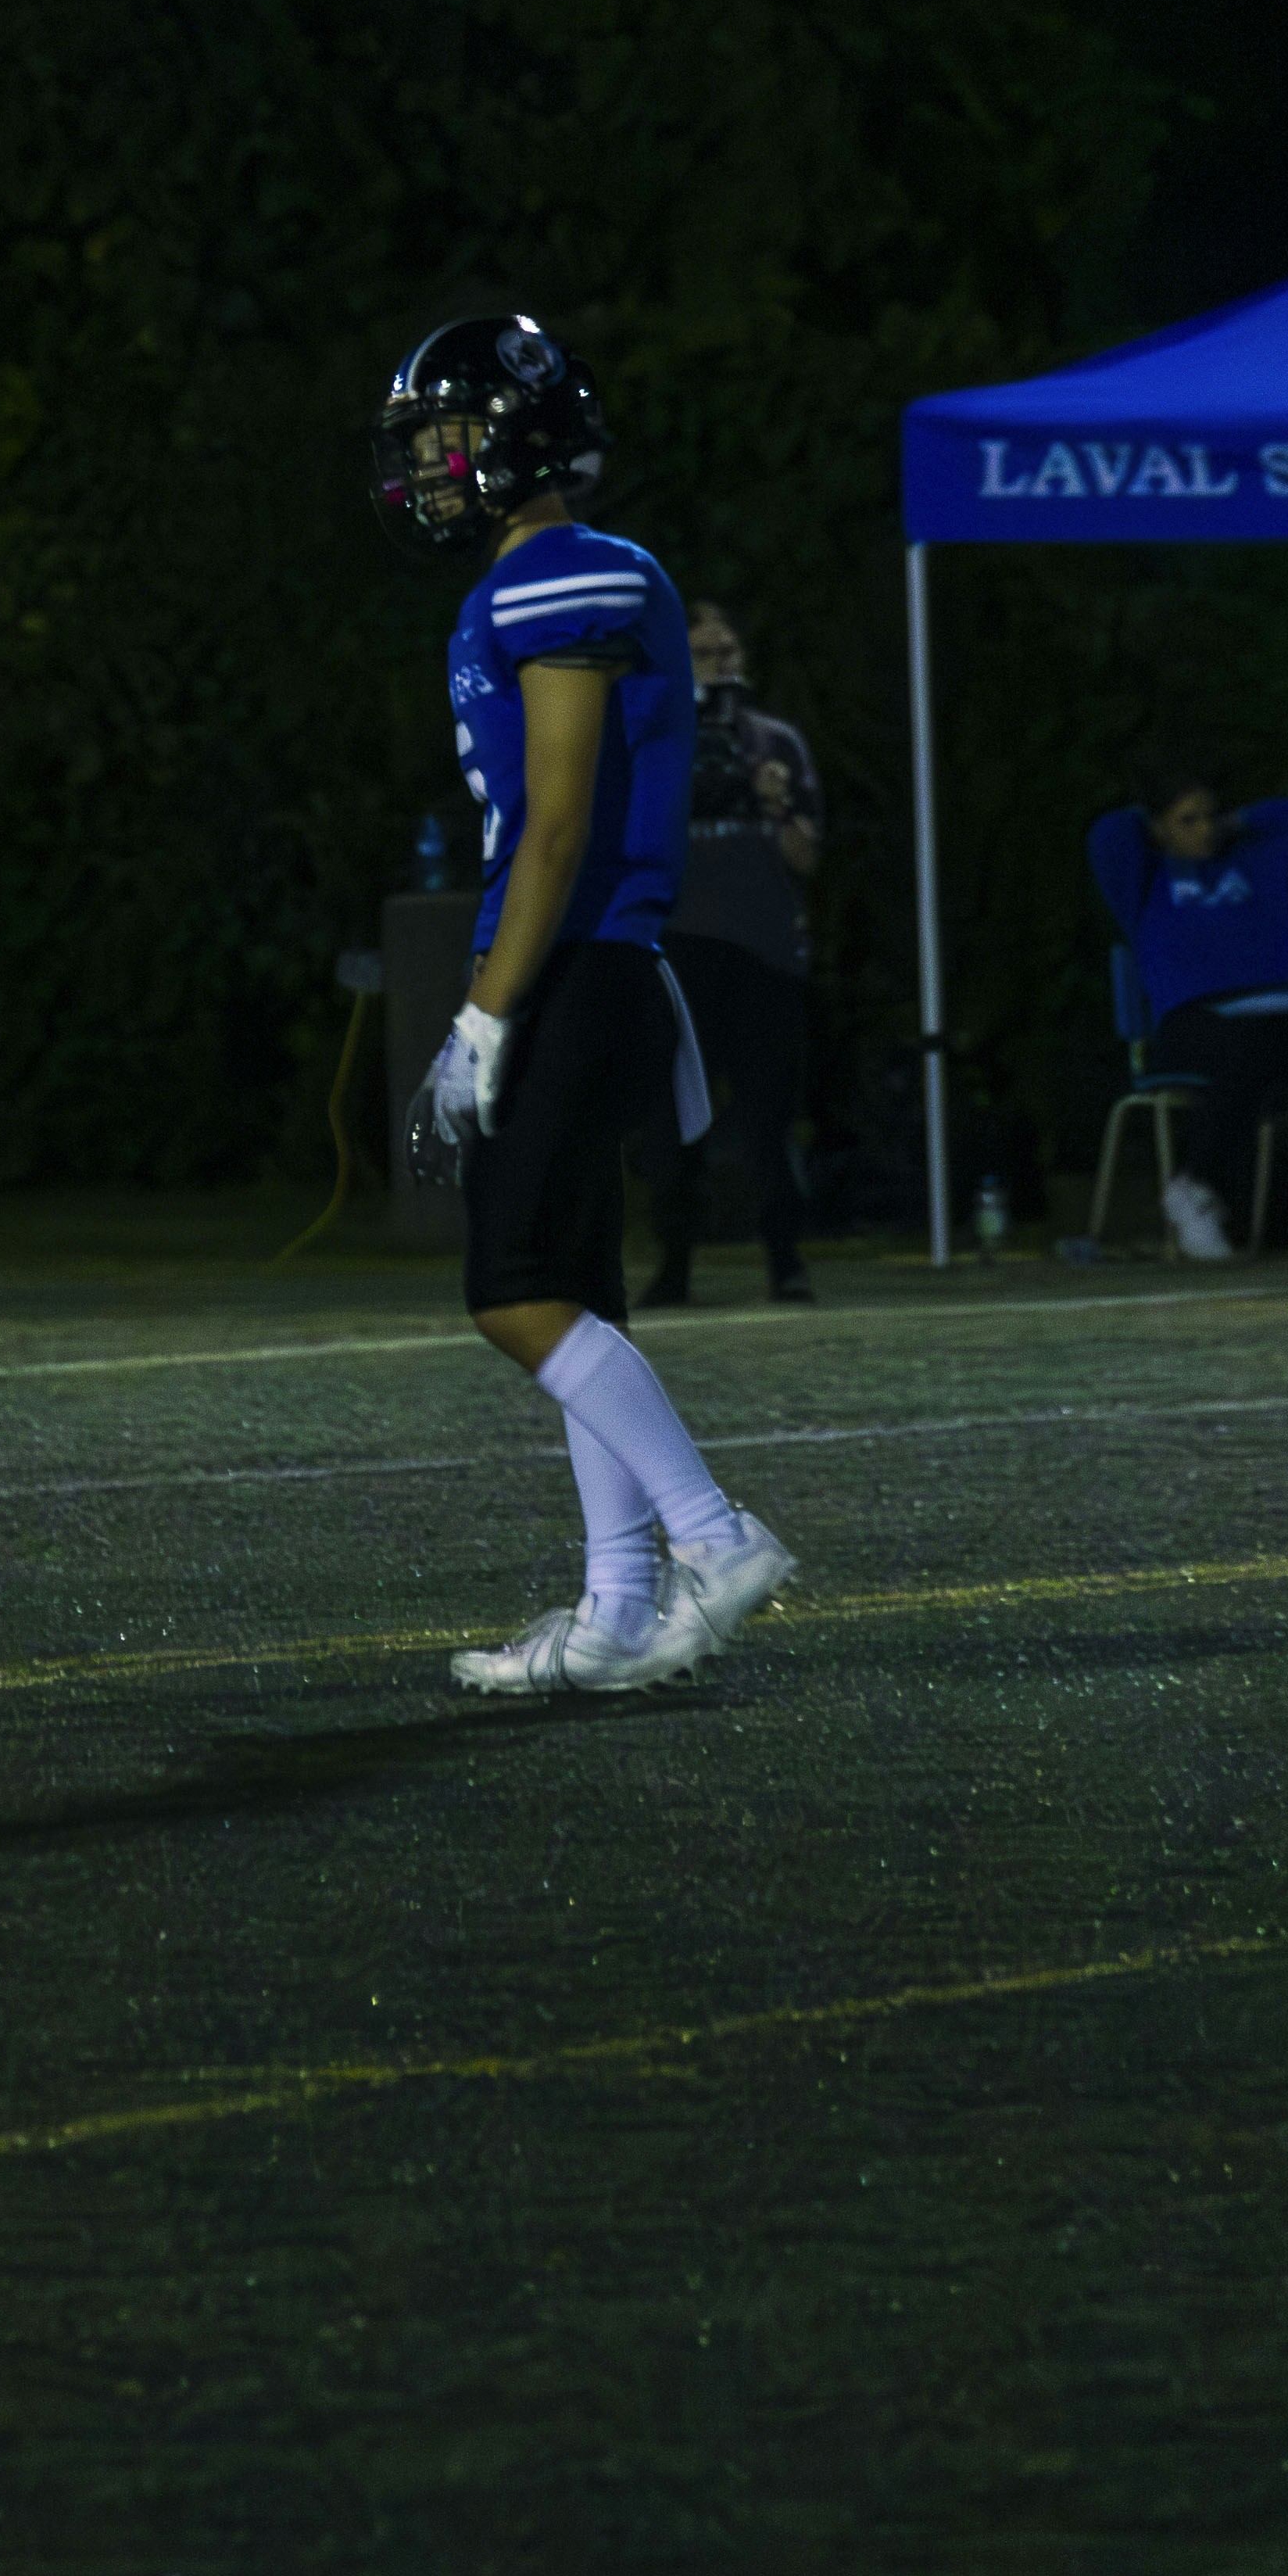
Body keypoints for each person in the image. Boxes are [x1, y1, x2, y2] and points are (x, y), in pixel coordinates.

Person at [369, 314, 797, 1696]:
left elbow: (555, 825)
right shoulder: (541, 575)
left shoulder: (568, 570)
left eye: (447, 437)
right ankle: (616, 1604)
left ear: (514, 434)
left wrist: (488, 1010)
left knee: (509, 1290)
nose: (431, 466)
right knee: (568, 1285)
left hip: (579, 961)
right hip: (575, 963)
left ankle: (714, 1535)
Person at [636, 600, 825, 1307]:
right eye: (706, 653)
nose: (723, 664)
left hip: (765, 949)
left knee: (768, 1115)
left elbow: (807, 857)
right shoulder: (652, 737)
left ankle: (785, 1258)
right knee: (674, 1116)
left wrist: (774, 804)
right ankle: (674, 1264)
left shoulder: (775, 741)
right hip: (679, 948)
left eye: (730, 651)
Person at [1087, 775, 1288, 1262]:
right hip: (1196, 1017)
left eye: (1211, 816)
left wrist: (1251, 819)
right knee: (1244, 1053)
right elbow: (1108, 832)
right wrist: (1155, 825)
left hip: (1284, 1009)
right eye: (1188, 821)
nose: (1205, 830)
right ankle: (1196, 1187)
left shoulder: (1265, 860)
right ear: (1158, 829)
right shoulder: (1146, 877)